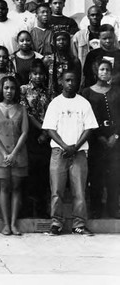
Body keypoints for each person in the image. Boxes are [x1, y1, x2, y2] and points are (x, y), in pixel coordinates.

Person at [42, 70, 98, 236]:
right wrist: (65, 146)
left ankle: (78, 224)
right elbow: (50, 129)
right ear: (61, 82)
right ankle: (56, 223)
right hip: (59, 152)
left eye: (74, 80)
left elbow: (89, 128)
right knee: (56, 190)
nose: (70, 83)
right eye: (67, 80)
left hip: (79, 152)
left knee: (79, 191)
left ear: (78, 82)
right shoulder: (55, 103)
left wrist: (75, 146)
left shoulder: (83, 103)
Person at [0, 76, 29, 235]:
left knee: (17, 188)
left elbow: (25, 132)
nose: (9, 91)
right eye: (6, 88)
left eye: (12, 88)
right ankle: (6, 224)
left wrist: (14, 153)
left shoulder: (21, 108)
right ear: (1, 89)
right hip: (1, 154)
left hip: (18, 154)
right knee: (4, 188)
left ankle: (14, 223)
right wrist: (5, 153)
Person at [82, 59, 120, 219]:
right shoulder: (87, 93)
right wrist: (100, 137)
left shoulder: (117, 91)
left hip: (116, 139)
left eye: (108, 70)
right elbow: (86, 117)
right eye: (102, 69)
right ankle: (96, 209)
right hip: (95, 139)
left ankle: (113, 208)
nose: (105, 72)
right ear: (96, 72)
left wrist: (115, 135)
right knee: (96, 175)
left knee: (114, 175)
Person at [20, 59, 51, 218]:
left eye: (41, 74)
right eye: (35, 73)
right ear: (30, 74)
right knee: (28, 172)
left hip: (46, 136)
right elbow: (27, 113)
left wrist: (46, 133)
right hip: (29, 133)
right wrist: (41, 129)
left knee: (43, 174)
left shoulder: (48, 92)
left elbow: (51, 113)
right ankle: (25, 209)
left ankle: (41, 209)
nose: (38, 77)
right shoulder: (23, 90)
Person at [43, 31, 81, 99]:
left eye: (64, 39)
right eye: (58, 40)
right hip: (52, 96)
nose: (61, 42)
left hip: (69, 95)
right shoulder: (48, 60)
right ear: (54, 42)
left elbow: (78, 80)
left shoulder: (74, 61)